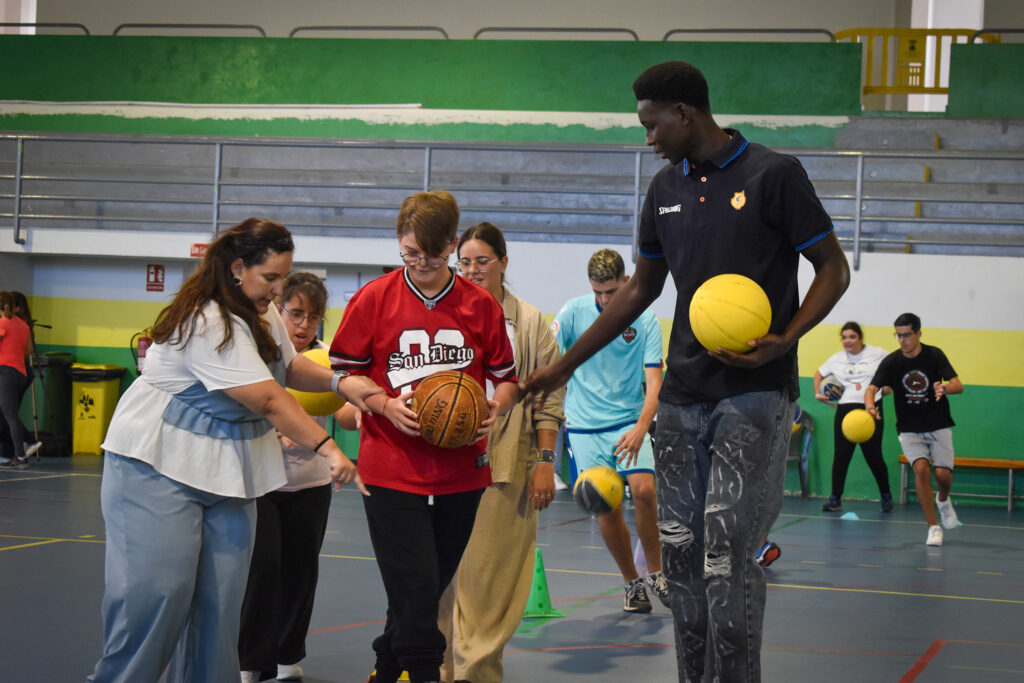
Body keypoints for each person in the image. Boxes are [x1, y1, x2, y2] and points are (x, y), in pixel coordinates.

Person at [521, 61, 850, 682]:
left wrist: (785, 338)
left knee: (727, 551)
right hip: (680, 398)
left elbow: (832, 267)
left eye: (652, 126)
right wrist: (561, 365)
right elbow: (640, 288)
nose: (647, 139)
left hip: (754, 393)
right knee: (680, 551)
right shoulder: (665, 190)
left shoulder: (774, 175)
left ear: (685, 114)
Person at [86, 218, 380, 683]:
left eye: (284, 276)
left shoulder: (262, 313)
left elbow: (292, 367)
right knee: (157, 597)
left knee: (220, 606)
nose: (278, 288)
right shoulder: (207, 318)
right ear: (239, 268)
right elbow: (267, 397)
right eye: (271, 278)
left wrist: (343, 382)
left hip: (230, 467)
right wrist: (328, 448)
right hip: (157, 463)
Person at [329, 192, 519, 683]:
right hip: (391, 470)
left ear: (452, 246)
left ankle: (384, 669)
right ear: (399, 243)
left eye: (432, 257)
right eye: (410, 255)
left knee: (424, 587)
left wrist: (493, 408)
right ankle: (425, 673)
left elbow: (508, 380)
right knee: (415, 589)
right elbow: (342, 373)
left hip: (462, 472)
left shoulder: (479, 305)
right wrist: (382, 404)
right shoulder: (373, 298)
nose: (421, 265)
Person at [436, 222, 565, 683]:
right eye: (464, 262)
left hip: (504, 469)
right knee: (440, 587)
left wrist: (545, 464)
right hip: (441, 469)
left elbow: (549, 401)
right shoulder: (440, 315)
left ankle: (478, 675)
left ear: (504, 263)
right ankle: (440, 672)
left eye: (482, 262)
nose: (472, 271)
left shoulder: (529, 323)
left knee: (490, 588)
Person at [239, 273, 348, 683]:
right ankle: (253, 660)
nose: (304, 325)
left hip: (310, 484)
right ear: (277, 309)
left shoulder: (324, 360)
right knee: (262, 571)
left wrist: (371, 403)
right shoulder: (255, 354)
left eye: (314, 317)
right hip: (262, 482)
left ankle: (287, 655)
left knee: (301, 572)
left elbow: (345, 415)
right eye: (296, 313)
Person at [554, 248, 667, 613]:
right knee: (607, 505)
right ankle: (631, 583)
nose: (603, 300)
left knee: (645, 490)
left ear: (626, 282)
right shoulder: (573, 312)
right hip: (585, 425)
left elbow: (654, 382)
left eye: (611, 292)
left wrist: (641, 427)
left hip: (628, 422)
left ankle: (657, 572)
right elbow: (550, 359)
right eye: (597, 292)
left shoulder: (646, 320)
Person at [866, 313, 963, 547]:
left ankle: (943, 499)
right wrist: (870, 406)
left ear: (918, 333)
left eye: (907, 335)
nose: (902, 340)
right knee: (920, 469)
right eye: (898, 335)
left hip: (938, 424)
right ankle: (933, 527)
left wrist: (945, 389)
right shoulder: (892, 362)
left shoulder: (934, 355)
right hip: (908, 428)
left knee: (942, 476)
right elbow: (872, 388)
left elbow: (958, 385)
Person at [814, 321, 892, 512]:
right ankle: (835, 499)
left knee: (873, 456)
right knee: (841, 455)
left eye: (852, 337)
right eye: (844, 337)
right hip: (845, 410)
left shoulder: (878, 353)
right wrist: (818, 392)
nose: (848, 341)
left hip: (870, 409)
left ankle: (886, 496)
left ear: (860, 338)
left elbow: (894, 369)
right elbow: (819, 373)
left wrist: (889, 387)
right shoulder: (836, 358)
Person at [0, 291, 36, 469]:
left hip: (5, 372)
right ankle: (26, 445)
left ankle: (20, 456)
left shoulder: (2, 324)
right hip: (20, 373)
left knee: (10, 416)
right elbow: (28, 349)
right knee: (9, 413)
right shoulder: (23, 325)